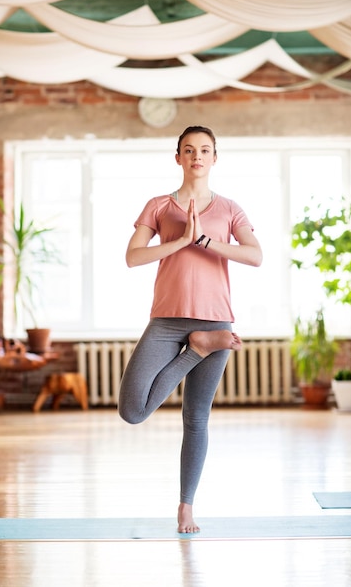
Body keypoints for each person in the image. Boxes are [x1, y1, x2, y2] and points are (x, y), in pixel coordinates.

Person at [118, 125, 263, 533]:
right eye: (189, 150)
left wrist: (203, 240)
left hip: (216, 318)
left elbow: (254, 256)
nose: (197, 156)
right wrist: (180, 240)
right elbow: (133, 257)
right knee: (132, 410)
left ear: (215, 157)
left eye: (205, 150)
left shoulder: (231, 208)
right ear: (177, 157)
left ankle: (186, 507)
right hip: (167, 319)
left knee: (196, 417)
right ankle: (197, 350)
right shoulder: (159, 206)